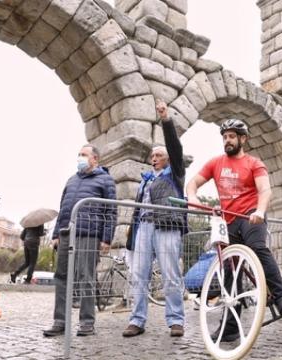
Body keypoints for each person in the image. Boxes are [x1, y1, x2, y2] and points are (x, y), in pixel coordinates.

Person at [186, 118, 282, 342]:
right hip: (228, 222)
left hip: (250, 217)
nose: (227, 140)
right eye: (225, 137)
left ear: (243, 139)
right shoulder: (215, 163)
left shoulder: (254, 163)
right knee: (229, 269)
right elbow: (193, 183)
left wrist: (260, 211)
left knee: (257, 247)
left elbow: (265, 190)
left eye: (232, 136)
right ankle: (231, 326)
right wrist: (192, 198)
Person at [123, 100, 186, 338]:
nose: (154, 158)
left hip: (167, 226)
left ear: (168, 158)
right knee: (138, 274)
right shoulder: (146, 179)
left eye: (159, 155)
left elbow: (175, 146)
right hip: (144, 228)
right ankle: (136, 320)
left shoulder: (175, 173)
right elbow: (138, 210)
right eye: (152, 155)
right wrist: (132, 232)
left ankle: (176, 320)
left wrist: (165, 119)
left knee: (170, 273)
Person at [42, 144, 117, 337]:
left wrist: (106, 238)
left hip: (89, 234)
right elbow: (63, 208)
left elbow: (111, 212)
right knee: (61, 277)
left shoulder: (105, 180)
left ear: (95, 159)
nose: (79, 158)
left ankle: (87, 322)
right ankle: (60, 321)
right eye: (78, 154)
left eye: (83, 155)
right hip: (67, 233)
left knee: (86, 277)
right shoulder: (71, 180)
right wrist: (57, 234)